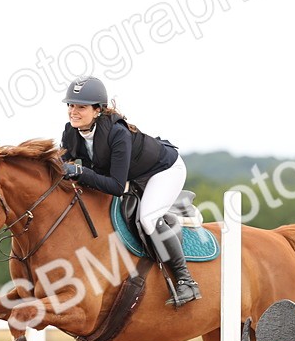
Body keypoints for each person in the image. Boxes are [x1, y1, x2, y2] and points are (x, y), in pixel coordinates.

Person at [58, 76, 201, 307]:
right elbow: (62, 168)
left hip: (164, 170)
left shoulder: (117, 133)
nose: (73, 111)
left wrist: (80, 172)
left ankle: (186, 281)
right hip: (133, 173)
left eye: (81, 107)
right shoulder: (70, 132)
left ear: (97, 110)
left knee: (148, 218)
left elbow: (115, 186)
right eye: (71, 105)